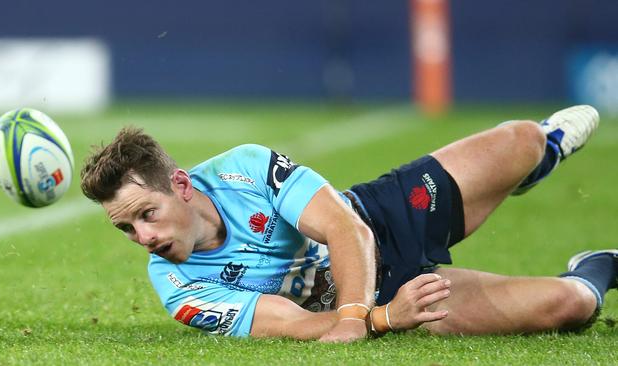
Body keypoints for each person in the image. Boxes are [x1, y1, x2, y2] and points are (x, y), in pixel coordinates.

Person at [80, 105, 616, 342]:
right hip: (392, 297)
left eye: (146, 216)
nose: (144, 239)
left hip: (377, 219)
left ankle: (534, 162)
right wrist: (382, 316)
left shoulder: (242, 168)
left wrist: (355, 320)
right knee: (571, 306)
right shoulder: (178, 289)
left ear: (178, 184)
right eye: (126, 230)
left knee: (522, 139)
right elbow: (288, 323)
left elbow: (344, 228)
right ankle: (596, 265)